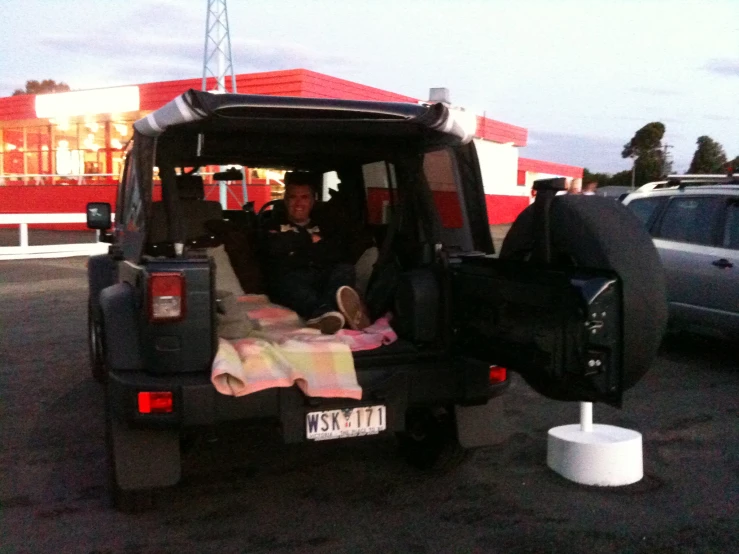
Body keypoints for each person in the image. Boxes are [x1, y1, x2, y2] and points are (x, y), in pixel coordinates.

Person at [264, 172, 371, 334]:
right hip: (293, 278)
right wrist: (312, 242)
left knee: (345, 269)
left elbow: (338, 253)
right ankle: (327, 311)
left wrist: (295, 245)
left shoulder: (327, 225)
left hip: (324, 277)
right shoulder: (271, 224)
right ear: (285, 201)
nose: (298, 203)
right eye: (293, 197)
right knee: (285, 280)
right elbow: (275, 251)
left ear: (313, 201)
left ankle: (329, 314)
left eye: (304, 197)